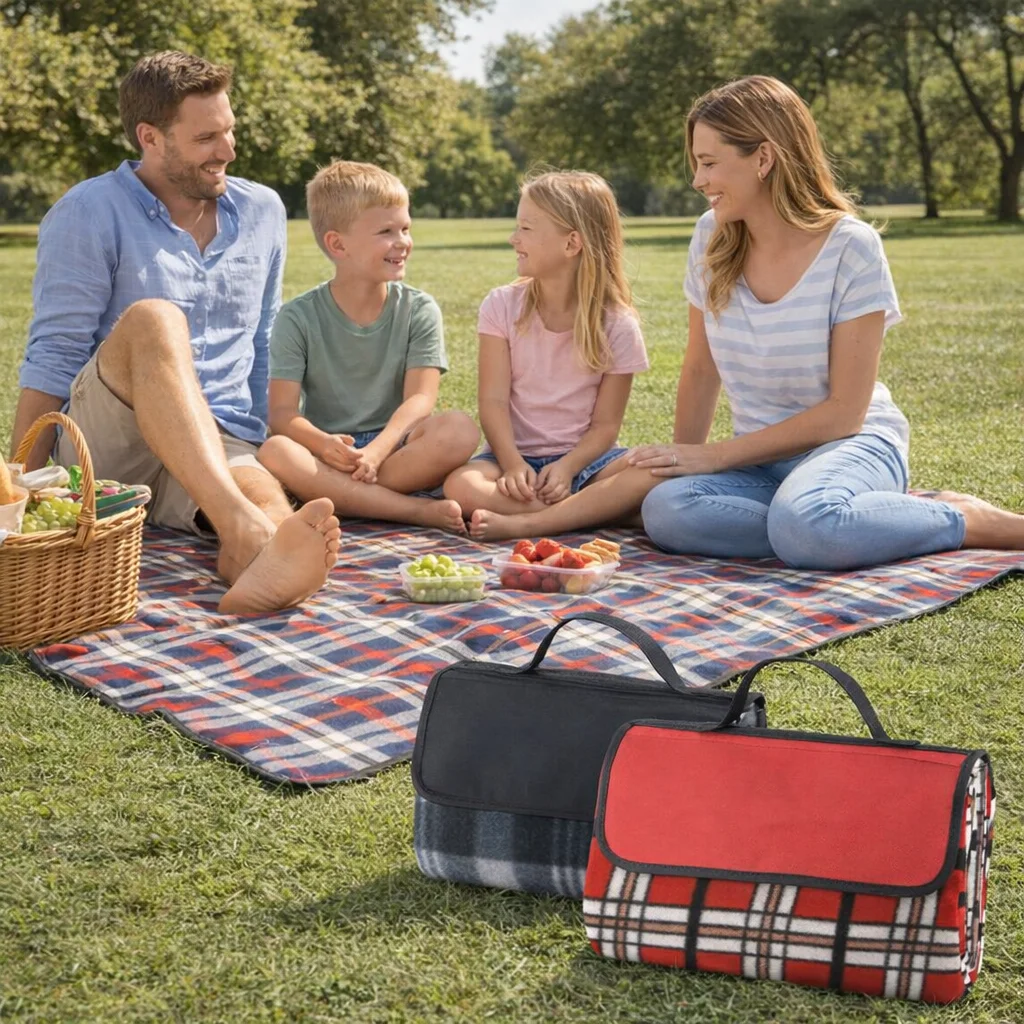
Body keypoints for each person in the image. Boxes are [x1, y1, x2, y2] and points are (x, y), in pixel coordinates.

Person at [469, 76, 1024, 565]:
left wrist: (713, 456)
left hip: (850, 443)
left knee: (807, 523)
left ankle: (964, 519)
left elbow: (843, 413)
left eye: (709, 163)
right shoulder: (710, 237)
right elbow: (700, 370)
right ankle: (822, 525)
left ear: (763, 157)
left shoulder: (850, 248)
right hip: (759, 461)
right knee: (665, 512)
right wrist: (680, 464)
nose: (697, 180)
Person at [11, 51, 340, 613]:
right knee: (156, 318)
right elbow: (55, 353)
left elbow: (261, 342)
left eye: (230, 130)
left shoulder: (262, 211)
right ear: (151, 137)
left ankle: (261, 551)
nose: (229, 151)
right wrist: (18, 489)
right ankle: (240, 529)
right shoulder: (88, 211)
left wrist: (261, 450)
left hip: (217, 434)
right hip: (111, 439)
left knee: (271, 502)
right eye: (207, 137)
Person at [256, 161, 479, 532]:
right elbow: (281, 414)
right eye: (386, 231)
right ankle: (410, 510)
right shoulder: (297, 317)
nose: (403, 242)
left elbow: (420, 401)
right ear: (337, 244)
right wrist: (324, 444)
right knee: (275, 451)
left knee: (460, 430)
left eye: (405, 228)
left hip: (396, 449)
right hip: (330, 451)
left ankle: (343, 497)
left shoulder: (418, 309)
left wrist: (378, 450)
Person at [443, 170, 649, 533]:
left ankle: (535, 521)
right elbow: (492, 402)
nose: (512, 238)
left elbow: (605, 426)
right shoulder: (502, 305)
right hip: (510, 458)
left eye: (525, 228)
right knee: (460, 486)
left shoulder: (617, 324)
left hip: (588, 463)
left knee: (651, 471)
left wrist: (568, 468)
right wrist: (512, 464)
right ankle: (591, 512)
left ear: (571, 244)